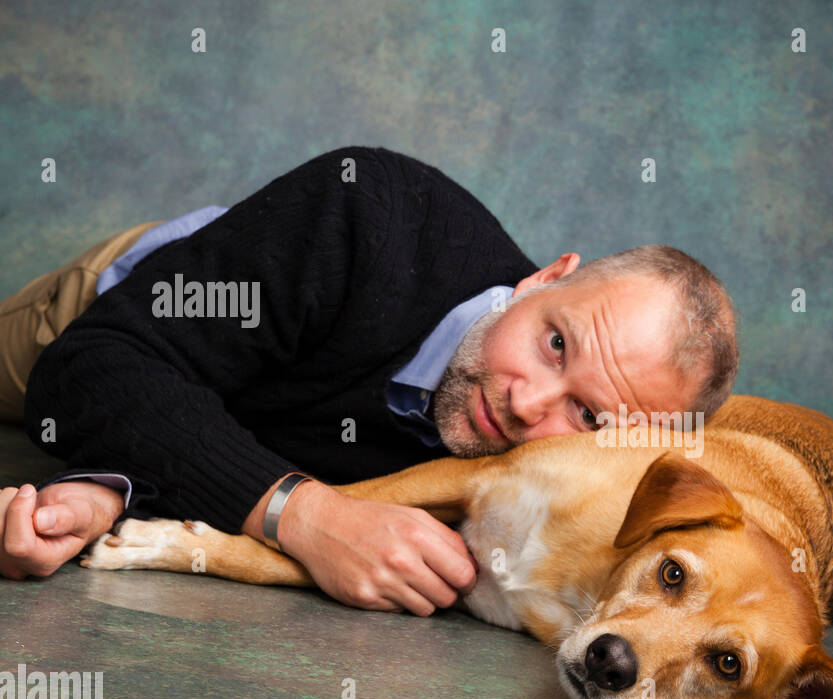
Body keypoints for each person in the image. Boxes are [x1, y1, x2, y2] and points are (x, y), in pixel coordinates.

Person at [0, 146, 738, 615]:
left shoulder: (548, 484)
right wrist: (307, 516)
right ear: (545, 279)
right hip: (129, 305)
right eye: (553, 343)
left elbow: (238, 434)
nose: (526, 403)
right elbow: (93, 369)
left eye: (585, 416)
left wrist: (108, 488)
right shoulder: (373, 214)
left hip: (203, 396)